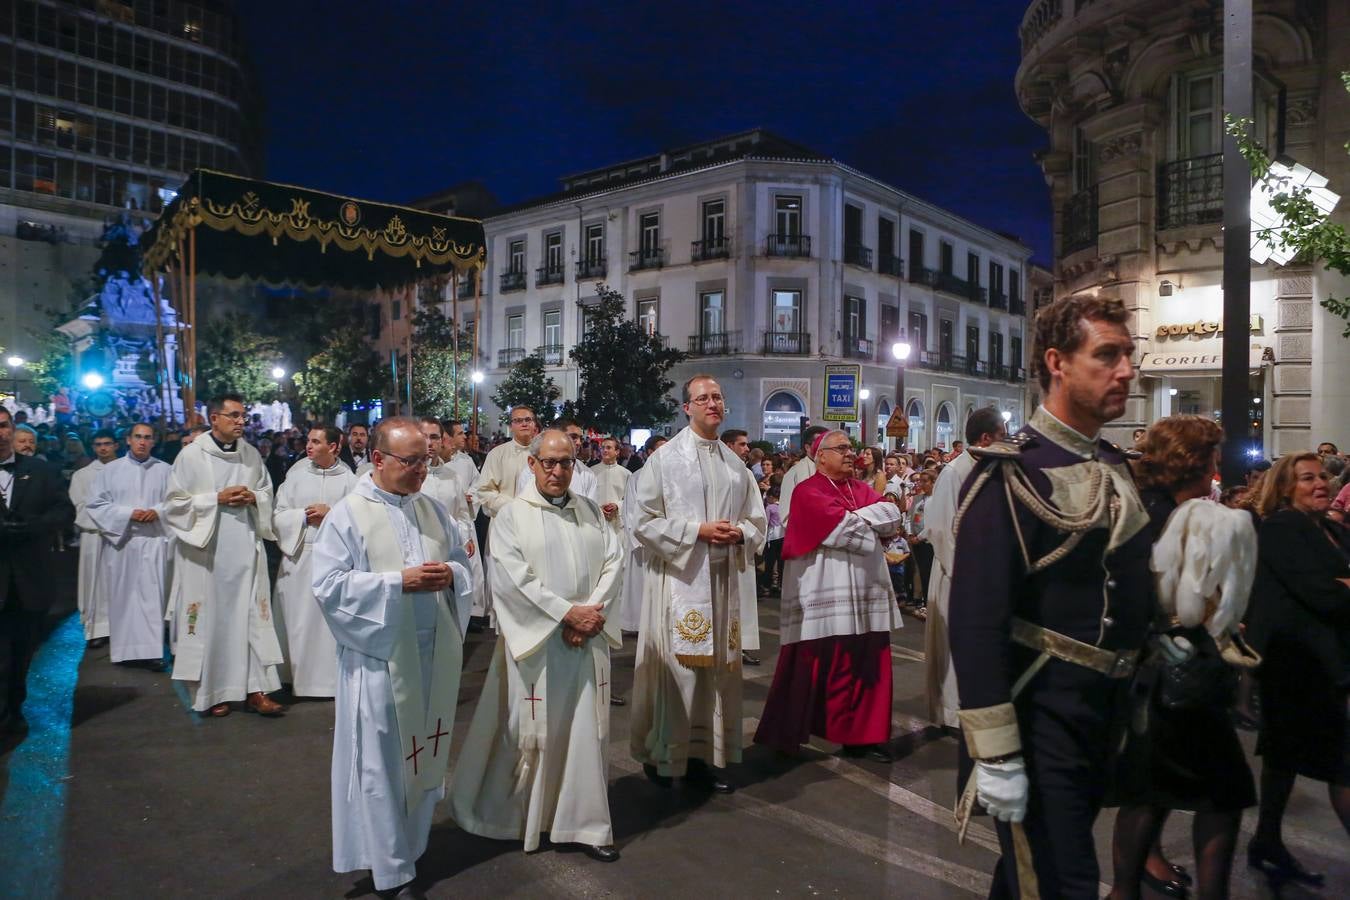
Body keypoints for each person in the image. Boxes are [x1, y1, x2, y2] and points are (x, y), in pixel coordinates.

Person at [948, 295, 1156, 898]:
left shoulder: (1113, 462)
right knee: (1065, 883)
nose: (1126, 371)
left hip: (1103, 715)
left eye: (1128, 355)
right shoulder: (1010, 474)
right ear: (1057, 362)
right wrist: (995, 754)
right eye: (1107, 355)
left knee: (1027, 880)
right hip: (1040, 721)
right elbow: (975, 622)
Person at [310, 417, 472, 899]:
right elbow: (328, 588)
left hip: (429, 658)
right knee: (380, 767)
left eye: (427, 458)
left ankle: (413, 846)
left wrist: (451, 575)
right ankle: (392, 870)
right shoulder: (348, 515)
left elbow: (463, 566)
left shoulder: (433, 510)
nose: (423, 469)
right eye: (412, 460)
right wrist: (395, 582)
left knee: (420, 760)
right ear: (378, 459)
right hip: (378, 662)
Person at [449, 429, 624, 860]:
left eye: (566, 462)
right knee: (533, 735)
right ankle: (525, 819)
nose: (558, 471)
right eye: (549, 462)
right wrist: (567, 614)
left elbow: (614, 562)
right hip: (540, 647)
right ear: (532, 465)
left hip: (587, 641)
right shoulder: (512, 516)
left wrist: (590, 614)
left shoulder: (590, 512)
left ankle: (585, 825)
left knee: (588, 734)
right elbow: (512, 580)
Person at [1109, 416, 1258, 900]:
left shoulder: (1166, 507)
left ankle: (1128, 887)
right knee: (1219, 790)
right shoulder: (1158, 514)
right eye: (1212, 455)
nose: (1217, 464)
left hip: (1163, 674)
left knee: (1153, 787)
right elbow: (1151, 597)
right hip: (1171, 671)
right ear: (1195, 462)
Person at [629, 375, 766, 792]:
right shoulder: (665, 459)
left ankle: (706, 756)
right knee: (680, 670)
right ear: (686, 408)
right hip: (679, 580)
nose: (712, 403)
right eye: (702, 398)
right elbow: (642, 520)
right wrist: (697, 531)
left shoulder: (734, 463)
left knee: (718, 674)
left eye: (717, 396)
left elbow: (757, 519)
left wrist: (740, 533)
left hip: (722, 583)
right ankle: (667, 756)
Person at [754, 429, 902, 761]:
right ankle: (788, 733)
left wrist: (862, 520)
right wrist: (868, 523)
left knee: (867, 664)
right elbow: (843, 531)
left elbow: (893, 517)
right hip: (822, 588)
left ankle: (863, 737)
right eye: (842, 449)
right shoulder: (808, 490)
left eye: (852, 448)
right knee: (813, 663)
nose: (851, 454)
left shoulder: (859, 488)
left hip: (865, 590)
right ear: (821, 456)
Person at [1244, 452, 1350, 889]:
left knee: (1284, 758)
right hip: (1296, 663)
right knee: (1344, 763)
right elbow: (1322, 594)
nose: (1321, 483)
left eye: (1322, 476)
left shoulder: (1326, 527)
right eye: (1307, 478)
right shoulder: (1283, 527)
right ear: (1285, 488)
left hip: (1321, 660)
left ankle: (1266, 840)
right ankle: (1266, 841)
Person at [164, 393, 285, 718]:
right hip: (207, 553)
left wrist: (253, 498)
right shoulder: (191, 457)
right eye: (233, 416)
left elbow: (266, 492)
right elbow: (173, 505)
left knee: (250, 617)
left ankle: (256, 689)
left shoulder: (251, 455)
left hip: (245, 548)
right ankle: (212, 691)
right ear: (213, 418)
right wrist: (215, 498)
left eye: (242, 416)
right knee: (212, 619)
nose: (241, 421)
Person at [921, 407, 1006, 729]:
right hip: (957, 575)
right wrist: (969, 575)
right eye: (1002, 435)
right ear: (985, 438)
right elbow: (941, 529)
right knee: (955, 648)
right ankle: (953, 715)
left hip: (985, 575)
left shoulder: (993, 468)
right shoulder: (954, 472)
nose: (1007, 441)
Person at [0, 406, 75, 734]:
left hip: (29, 580)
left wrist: (33, 526)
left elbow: (64, 511)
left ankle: (15, 707)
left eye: (3, 426)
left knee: (21, 653)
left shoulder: (41, 471)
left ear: (12, 428)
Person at [271, 426, 356, 698]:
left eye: (316, 441)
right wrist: (303, 517)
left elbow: (360, 518)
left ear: (333, 446)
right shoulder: (295, 476)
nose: (308, 445)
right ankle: (291, 677)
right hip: (299, 556)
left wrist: (331, 513)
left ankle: (328, 682)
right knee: (296, 621)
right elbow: (278, 515)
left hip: (334, 560)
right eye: (308, 440)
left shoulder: (350, 481)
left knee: (326, 625)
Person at [84, 423, 172, 670]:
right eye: (138, 437)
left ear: (154, 441)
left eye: (148, 437)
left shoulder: (166, 470)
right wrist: (127, 513)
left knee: (152, 597)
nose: (142, 442)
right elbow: (95, 505)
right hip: (122, 542)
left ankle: (153, 652)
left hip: (154, 542)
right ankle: (125, 652)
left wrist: (157, 511)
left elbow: (176, 504)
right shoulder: (110, 470)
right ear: (128, 440)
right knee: (124, 597)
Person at [71, 429, 119, 648]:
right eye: (98, 444)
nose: (103, 448)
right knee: (96, 581)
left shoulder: (129, 471)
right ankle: (98, 627)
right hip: (95, 535)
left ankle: (125, 626)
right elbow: (80, 507)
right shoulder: (82, 475)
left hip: (124, 535)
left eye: (107, 443)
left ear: (116, 445)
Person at [618, 435, 666, 634]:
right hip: (643, 544)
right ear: (649, 453)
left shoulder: (676, 476)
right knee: (641, 588)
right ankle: (639, 625)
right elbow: (630, 512)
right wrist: (642, 539)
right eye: (660, 449)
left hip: (666, 542)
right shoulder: (637, 476)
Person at [474, 406, 538, 518]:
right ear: (510, 426)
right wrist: (515, 507)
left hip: (537, 518)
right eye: (518, 420)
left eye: (528, 420)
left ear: (534, 425)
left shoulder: (542, 452)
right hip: (504, 518)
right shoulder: (497, 454)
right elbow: (485, 491)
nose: (524, 424)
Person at [515, 420, 597, 502]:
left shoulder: (587, 474)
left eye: (581, 438)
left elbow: (589, 508)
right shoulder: (530, 472)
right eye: (573, 437)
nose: (579, 442)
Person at [779, 425, 827, 526]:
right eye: (820, 445)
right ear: (807, 447)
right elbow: (786, 516)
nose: (825, 449)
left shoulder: (834, 470)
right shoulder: (794, 473)